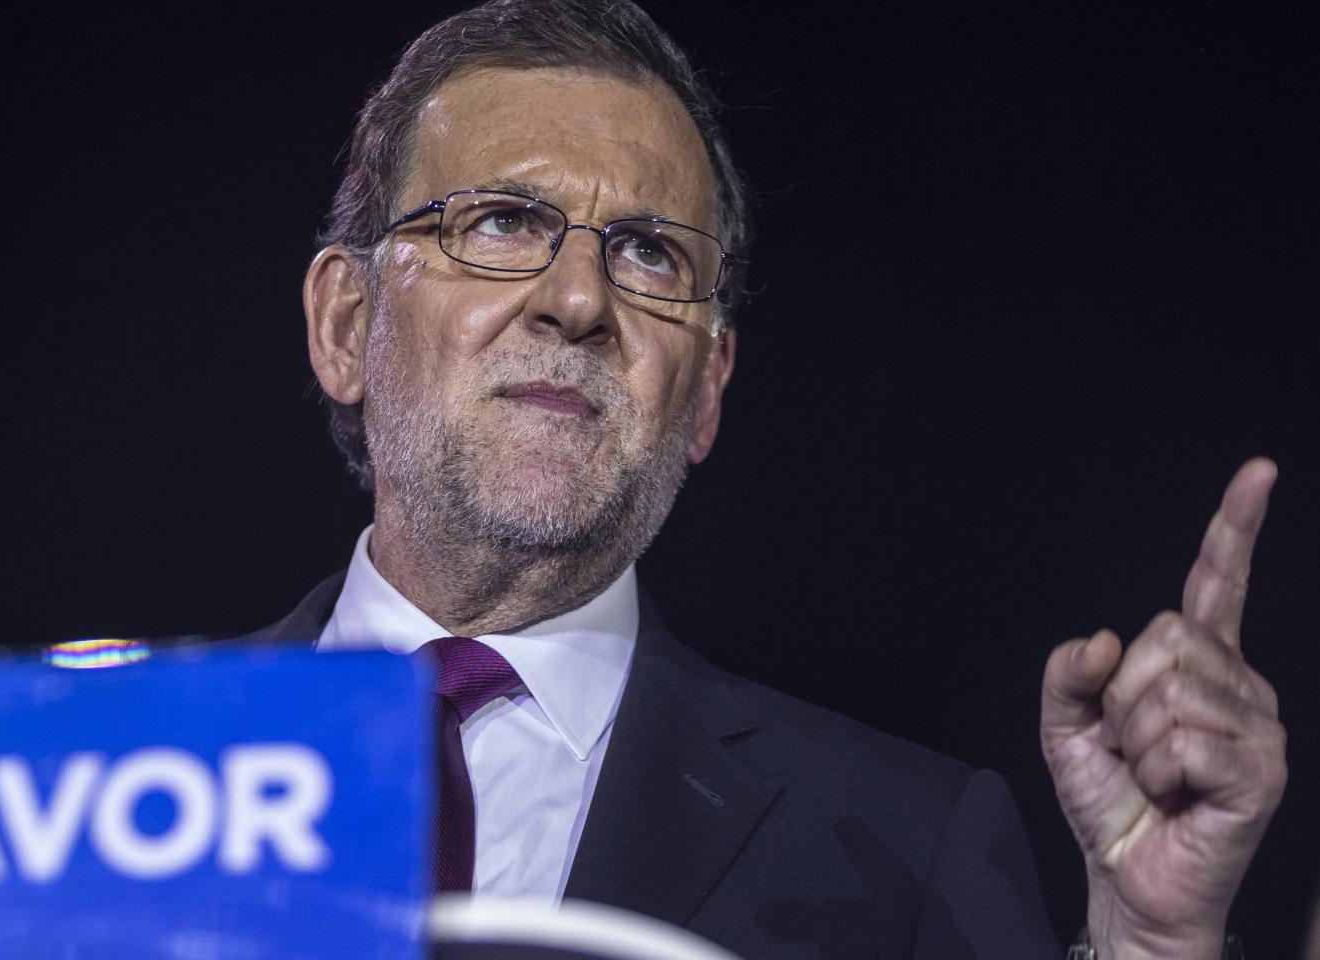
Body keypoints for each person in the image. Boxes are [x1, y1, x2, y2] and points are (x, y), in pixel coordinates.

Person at [268, 1, 1287, 956]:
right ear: (345, 326)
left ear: (705, 387)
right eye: (499, 222)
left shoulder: (907, 844)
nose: (578, 298)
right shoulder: (119, 762)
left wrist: (1148, 947)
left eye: (648, 255)